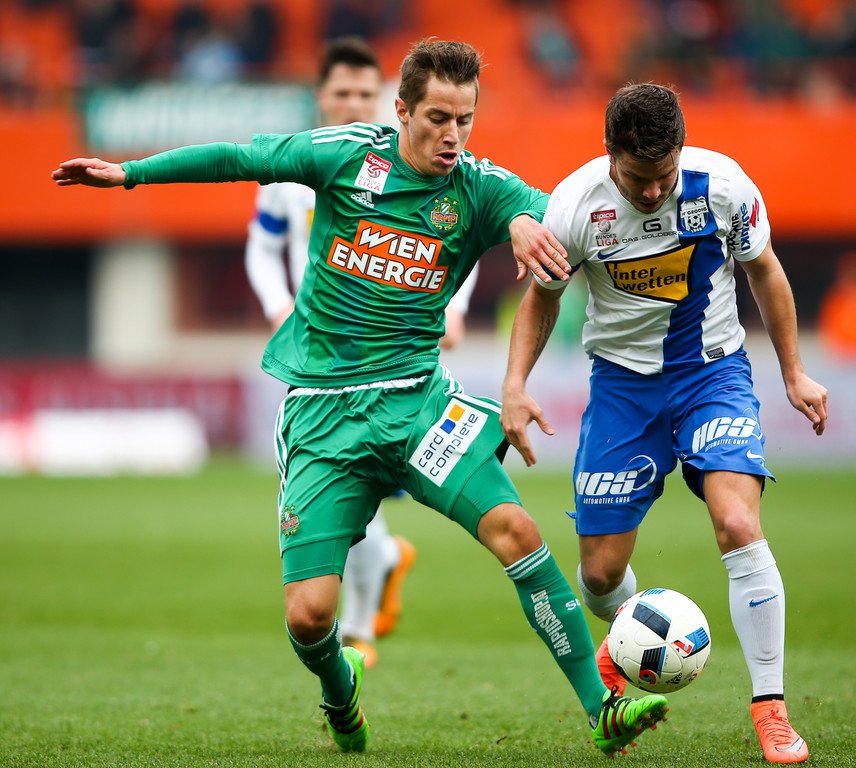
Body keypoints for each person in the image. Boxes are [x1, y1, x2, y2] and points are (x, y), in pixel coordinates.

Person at [53, 41, 669, 756]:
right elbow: (237, 158)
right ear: (401, 110)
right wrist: (130, 174)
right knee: (310, 616)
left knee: (518, 532)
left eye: (465, 119)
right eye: (437, 118)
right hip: (322, 416)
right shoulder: (347, 155)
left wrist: (530, 221)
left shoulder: (479, 188)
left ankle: (601, 709)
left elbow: (569, 217)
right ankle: (338, 685)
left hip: (418, 407)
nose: (453, 135)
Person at [501, 83, 828, 765]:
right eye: (637, 179)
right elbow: (542, 299)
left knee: (737, 524)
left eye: (665, 175)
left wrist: (794, 372)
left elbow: (765, 271)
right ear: (609, 155)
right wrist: (514, 384)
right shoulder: (575, 206)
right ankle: (630, 636)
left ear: (682, 148)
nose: (652, 192)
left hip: (713, 373)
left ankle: (771, 709)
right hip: (623, 387)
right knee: (599, 575)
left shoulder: (724, 186)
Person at [244, 36, 483, 670]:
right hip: (320, 352)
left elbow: (463, 232)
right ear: (320, 96)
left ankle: (364, 602)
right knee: (338, 478)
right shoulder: (301, 166)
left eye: (364, 93)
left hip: (395, 347)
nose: (354, 103)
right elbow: (262, 248)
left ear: (386, 99)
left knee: (361, 476)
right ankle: (360, 616)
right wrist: (277, 306)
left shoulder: (405, 161)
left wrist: (454, 307)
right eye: (342, 92)